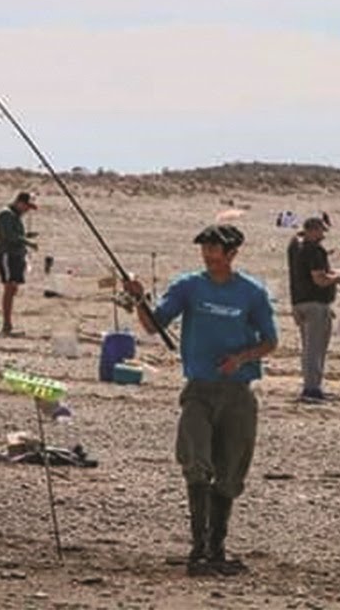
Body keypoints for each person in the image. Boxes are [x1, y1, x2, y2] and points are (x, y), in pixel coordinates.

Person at [124, 224, 277, 575]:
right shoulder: (188, 287)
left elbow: (271, 341)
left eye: (215, 248)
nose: (208, 254)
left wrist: (240, 358)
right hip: (198, 391)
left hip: (238, 394)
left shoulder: (252, 293)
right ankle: (198, 546)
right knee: (195, 463)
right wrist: (138, 300)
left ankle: (216, 546)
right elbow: (153, 325)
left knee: (229, 472)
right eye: (205, 248)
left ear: (232, 253)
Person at [289, 218, 340, 401]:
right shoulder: (314, 250)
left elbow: (317, 274)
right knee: (315, 349)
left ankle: (313, 386)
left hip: (300, 302)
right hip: (315, 305)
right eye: (321, 231)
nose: (323, 235)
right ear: (312, 231)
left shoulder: (296, 248)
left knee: (309, 348)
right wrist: (338, 279)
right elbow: (319, 280)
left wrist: (334, 275)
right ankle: (311, 389)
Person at [0, 192, 39, 335]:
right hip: (8, 255)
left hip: (17, 255)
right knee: (9, 288)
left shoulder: (16, 216)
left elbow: (15, 234)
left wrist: (26, 236)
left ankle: (9, 324)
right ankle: (6, 325)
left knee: (14, 289)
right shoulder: (6, 215)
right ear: (20, 202)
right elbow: (8, 236)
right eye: (26, 207)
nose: (27, 211)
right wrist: (27, 242)